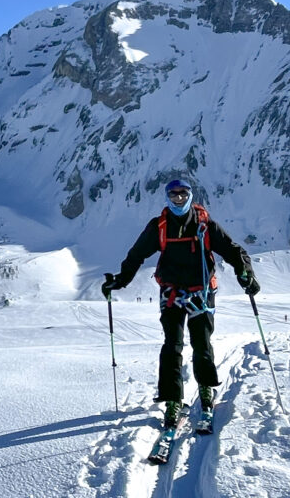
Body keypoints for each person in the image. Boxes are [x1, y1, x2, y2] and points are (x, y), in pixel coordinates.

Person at [102, 179, 259, 430]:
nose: (178, 199)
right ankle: (172, 399)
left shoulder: (205, 225)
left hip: (202, 292)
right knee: (172, 346)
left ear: (190, 195)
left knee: (201, 344)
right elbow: (136, 255)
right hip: (172, 293)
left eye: (182, 195)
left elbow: (233, 250)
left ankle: (206, 389)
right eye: (173, 195)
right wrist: (120, 281)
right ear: (167, 197)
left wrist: (246, 274)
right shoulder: (159, 226)